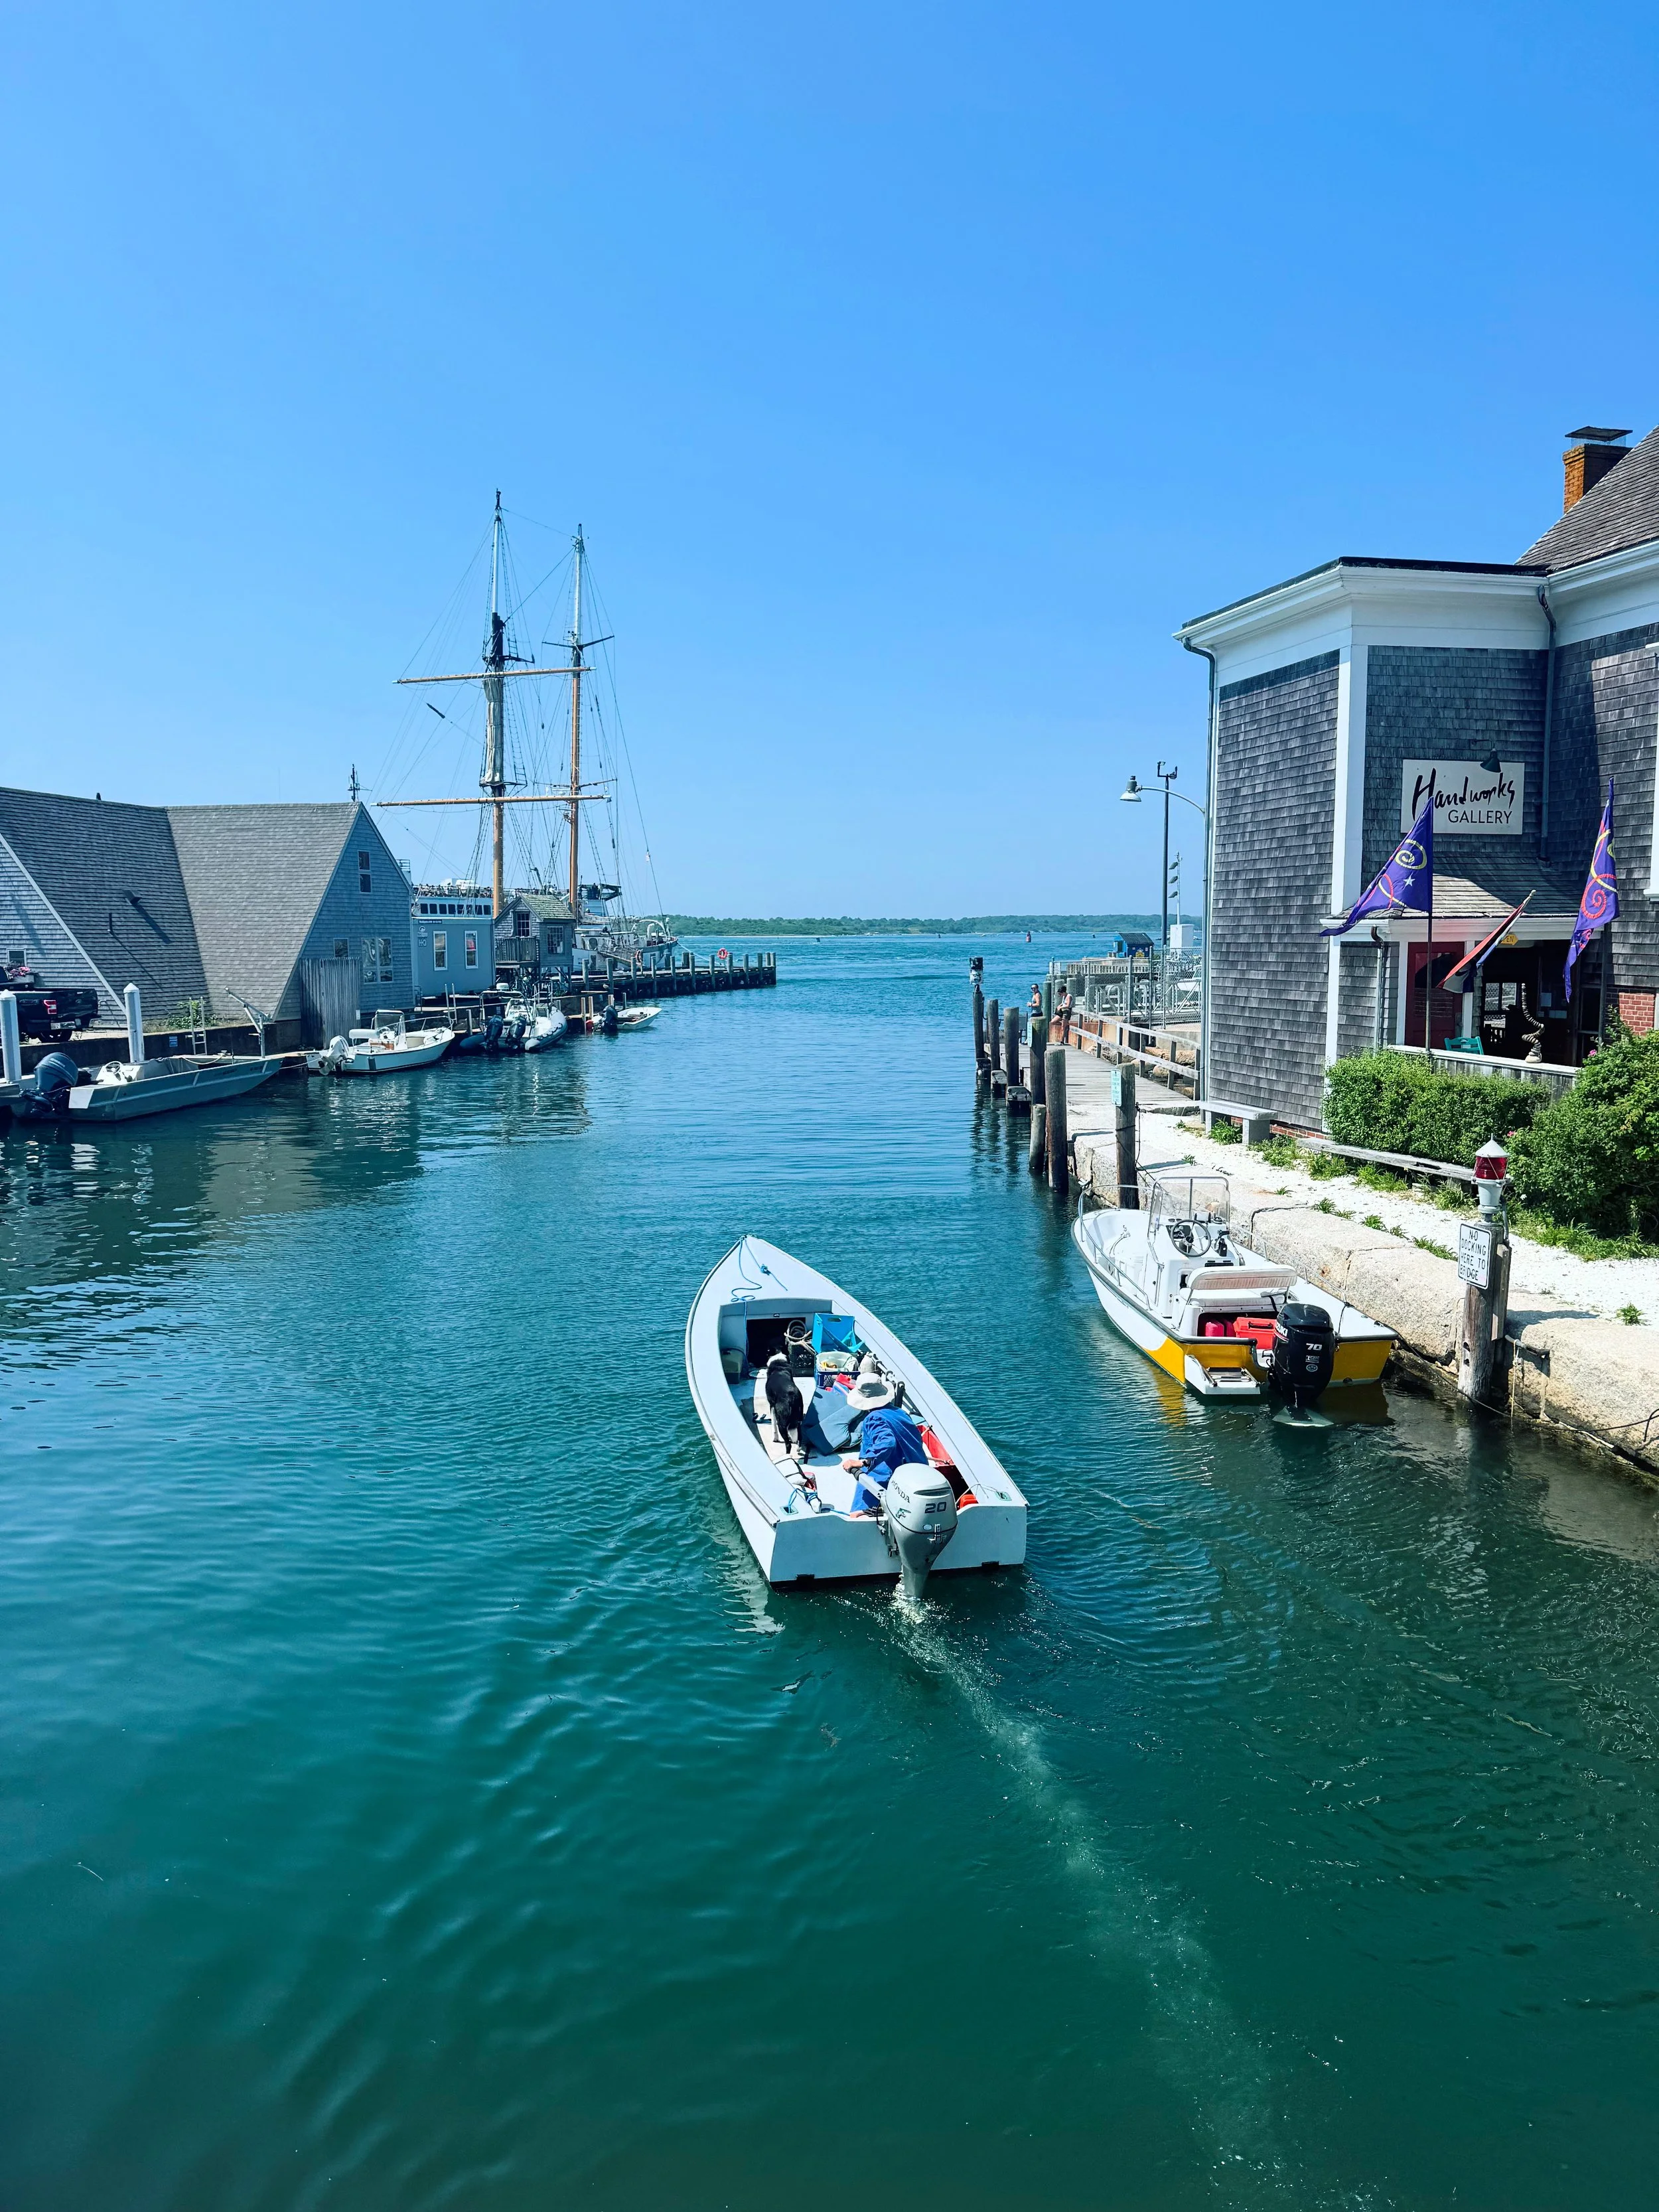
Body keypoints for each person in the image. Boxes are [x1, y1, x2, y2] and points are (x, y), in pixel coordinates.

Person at [843, 1402, 928, 1514]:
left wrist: (863, 1462)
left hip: (888, 1476)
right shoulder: (901, 1413)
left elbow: (887, 1442)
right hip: (919, 1472)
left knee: (857, 1514)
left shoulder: (873, 1418)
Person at [764, 1352, 806, 1461]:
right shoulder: (788, 1372)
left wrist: (775, 1434)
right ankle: (799, 1442)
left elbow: (772, 1408)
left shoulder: (771, 1376)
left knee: (782, 1423)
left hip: (782, 1397)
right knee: (798, 1420)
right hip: (796, 1393)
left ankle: (787, 1447)